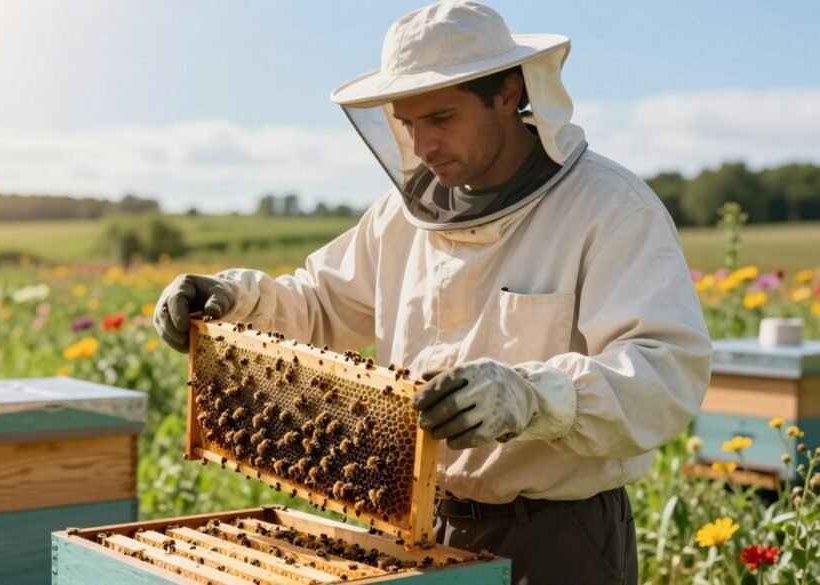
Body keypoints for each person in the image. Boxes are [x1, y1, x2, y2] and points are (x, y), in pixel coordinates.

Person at [154, 2, 711, 583]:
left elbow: (663, 371)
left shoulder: (610, 209)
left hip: (554, 533)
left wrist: (533, 396)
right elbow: (320, 304)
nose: (423, 145)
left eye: (441, 117)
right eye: (408, 123)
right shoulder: (400, 218)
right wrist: (232, 299)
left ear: (508, 92)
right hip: (411, 521)